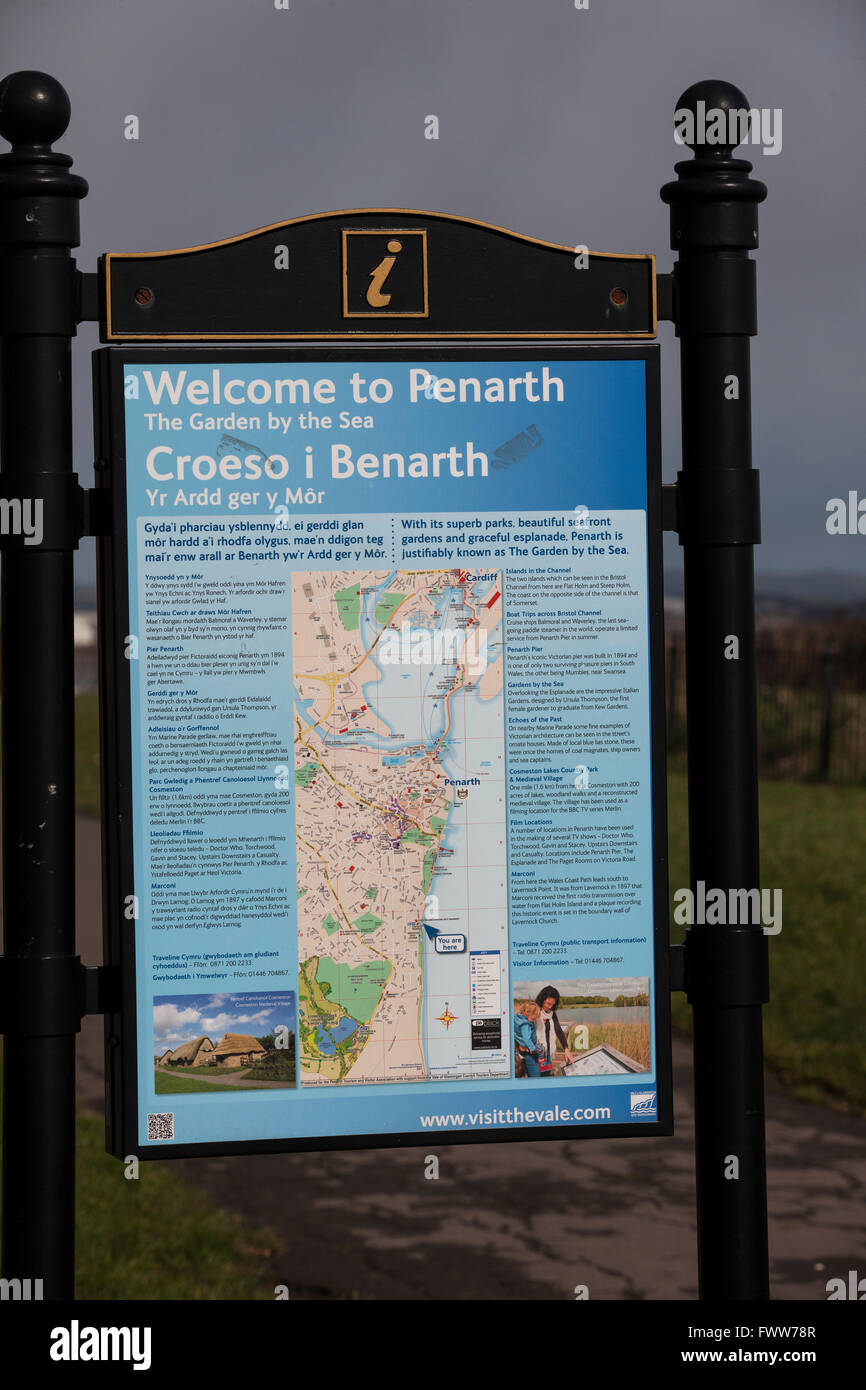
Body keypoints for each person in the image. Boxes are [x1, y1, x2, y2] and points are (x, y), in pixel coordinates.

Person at [535, 986, 575, 1068]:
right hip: (535, 1053)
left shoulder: (551, 1013)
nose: (550, 1007)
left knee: (547, 1074)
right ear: (542, 999)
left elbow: (558, 1030)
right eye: (548, 1004)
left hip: (548, 1052)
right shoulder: (534, 1011)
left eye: (552, 1005)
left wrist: (566, 1049)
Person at [513, 1001, 545, 1077]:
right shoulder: (525, 1025)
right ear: (527, 1014)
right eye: (533, 1018)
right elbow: (527, 1039)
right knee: (540, 1049)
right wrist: (532, 1048)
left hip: (522, 1045)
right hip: (528, 1046)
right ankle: (541, 1060)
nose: (534, 1020)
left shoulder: (517, 1018)